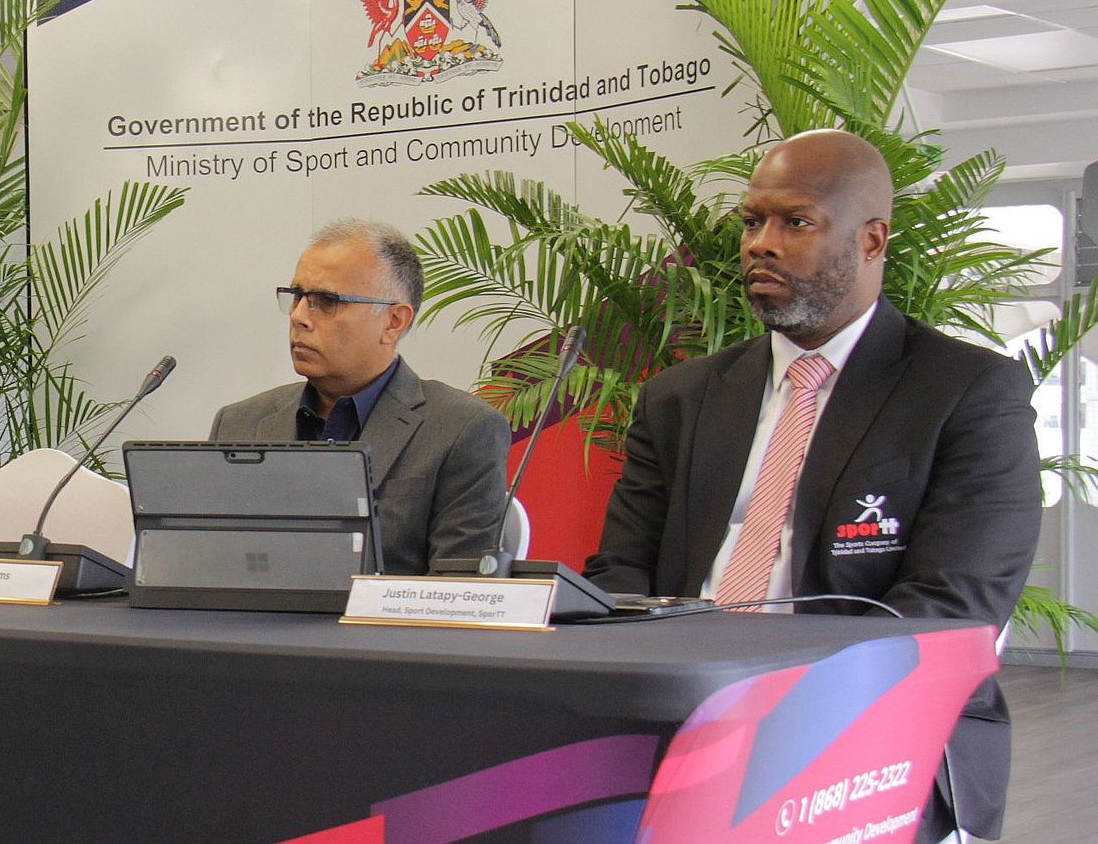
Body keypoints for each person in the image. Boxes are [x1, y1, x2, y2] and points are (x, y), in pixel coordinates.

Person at [582, 129, 1041, 843]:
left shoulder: (967, 392)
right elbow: (619, 574)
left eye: (795, 222)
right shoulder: (681, 397)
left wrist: (771, 715)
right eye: (751, 221)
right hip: (681, 720)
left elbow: (951, 609)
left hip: (876, 736)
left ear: (872, 239)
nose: (760, 243)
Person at [209, 219, 511, 575]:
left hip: (383, 629)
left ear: (394, 321)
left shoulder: (461, 429)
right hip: (248, 628)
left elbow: (456, 588)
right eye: (297, 297)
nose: (298, 317)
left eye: (326, 301)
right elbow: (211, 567)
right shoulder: (240, 423)